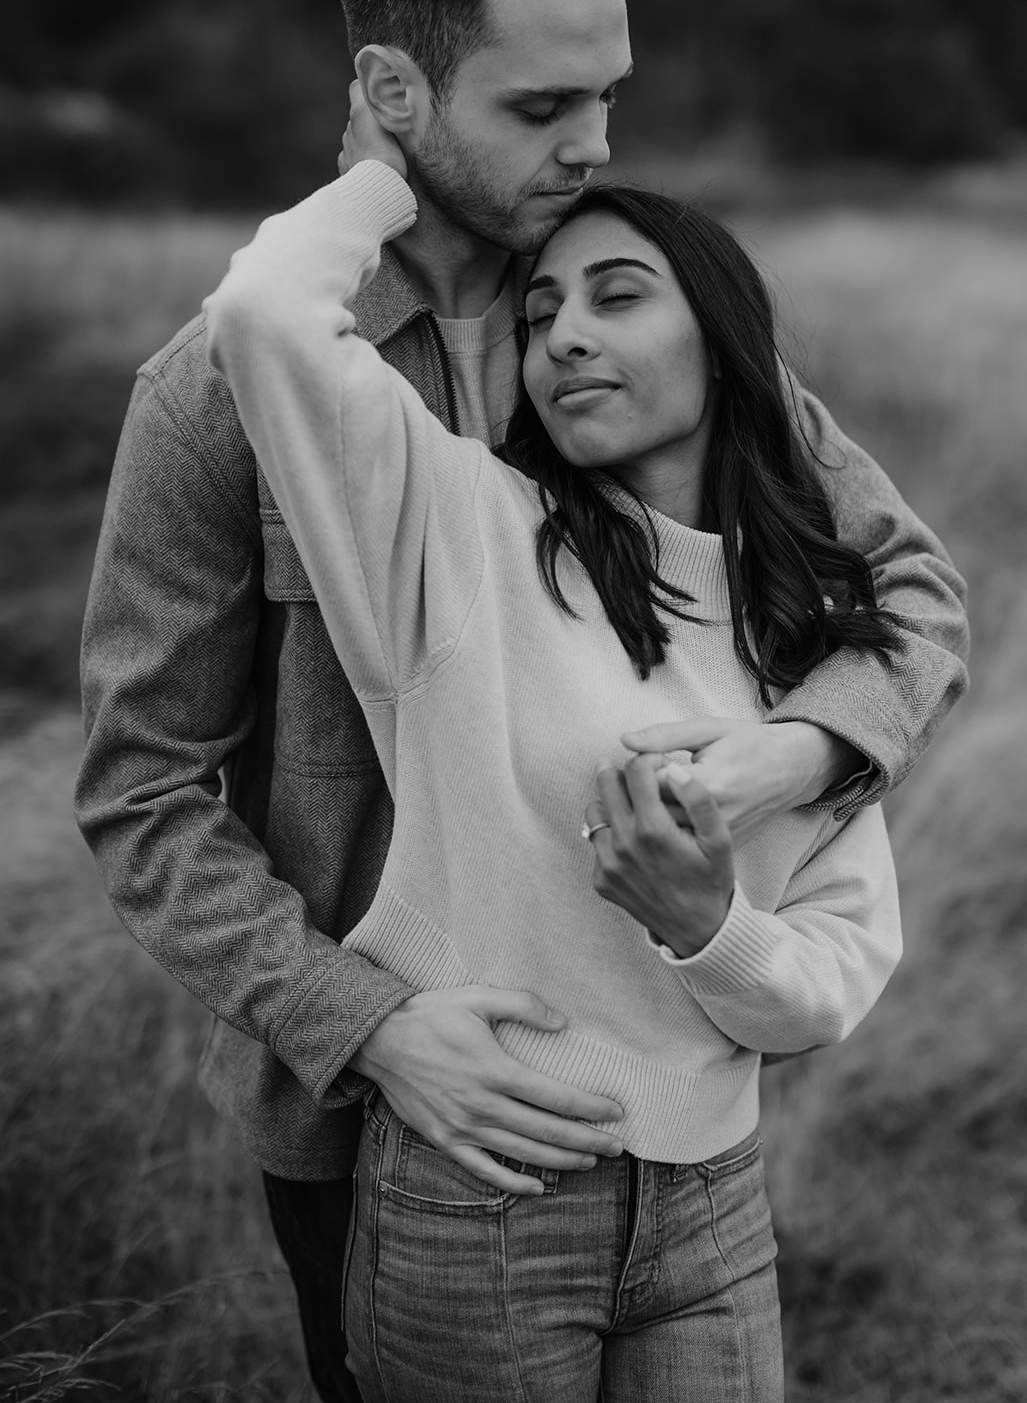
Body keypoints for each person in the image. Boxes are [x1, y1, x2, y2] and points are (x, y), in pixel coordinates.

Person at [74, 0, 968, 1402]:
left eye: (606, 95)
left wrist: (784, 762)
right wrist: (363, 1024)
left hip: (684, 1086)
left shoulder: (639, 315)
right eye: (542, 105)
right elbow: (142, 793)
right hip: (383, 1120)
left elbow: (911, 598)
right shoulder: (221, 391)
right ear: (394, 90)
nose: (588, 141)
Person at [202, 151, 908, 1400]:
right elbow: (266, 312)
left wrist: (708, 928)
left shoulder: (807, 635)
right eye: (539, 316)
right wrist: (388, 170)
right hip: (480, 1207)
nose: (565, 337)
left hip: (715, 1208)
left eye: (617, 297)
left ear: (723, 340)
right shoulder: (461, 533)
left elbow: (830, 985)